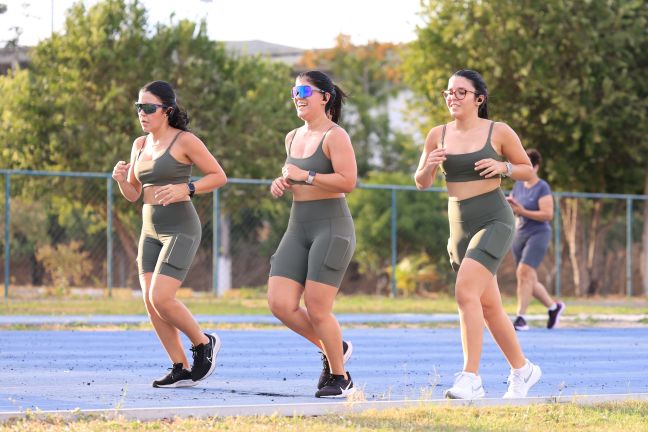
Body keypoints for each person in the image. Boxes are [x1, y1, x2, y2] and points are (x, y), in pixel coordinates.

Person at [414, 69, 542, 399]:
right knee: (489, 307)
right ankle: (523, 370)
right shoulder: (437, 134)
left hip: (494, 218)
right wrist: (430, 165)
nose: (452, 98)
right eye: (448, 93)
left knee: (464, 293)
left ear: (478, 98)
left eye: (460, 92)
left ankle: (471, 378)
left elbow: (526, 169)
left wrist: (504, 168)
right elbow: (421, 181)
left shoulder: (498, 131)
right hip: (458, 224)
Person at [111, 80, 227, 388]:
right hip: (150, 230)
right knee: (151, 303)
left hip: (181, 227)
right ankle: (180, 367)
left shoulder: (185, 141)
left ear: (168, 110)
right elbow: (134, 194)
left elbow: (219, 176)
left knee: (161, 296)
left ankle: (204, 343)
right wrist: (122, 180)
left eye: (149, 108)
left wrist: (187, 187)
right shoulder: (139, 144)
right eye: (139, 107)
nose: (143, 114)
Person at [267, 70, 357, 398]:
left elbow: (348, 181)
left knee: (318, 308)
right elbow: (296, 177)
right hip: (297, 226)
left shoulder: (335, 136)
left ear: (325, 97)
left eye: (304, 90)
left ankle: (340, 376)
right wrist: (285, 182)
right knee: (279, 303)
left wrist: (305, 175)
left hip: (331, 226)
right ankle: (336, 346)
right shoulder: (291, 137)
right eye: (294, 92)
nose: (298, 97)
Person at [507, 149, 565, 330]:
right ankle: (554, 308)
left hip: (538, 233)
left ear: (536, 167)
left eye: (527, 165)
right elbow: (516, 209)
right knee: (528, 278)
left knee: (523, 273)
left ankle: (520, 318)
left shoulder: (542, 187)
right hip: (520, 233)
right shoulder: (518, 185)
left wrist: (523, 211)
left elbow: (547, 214)